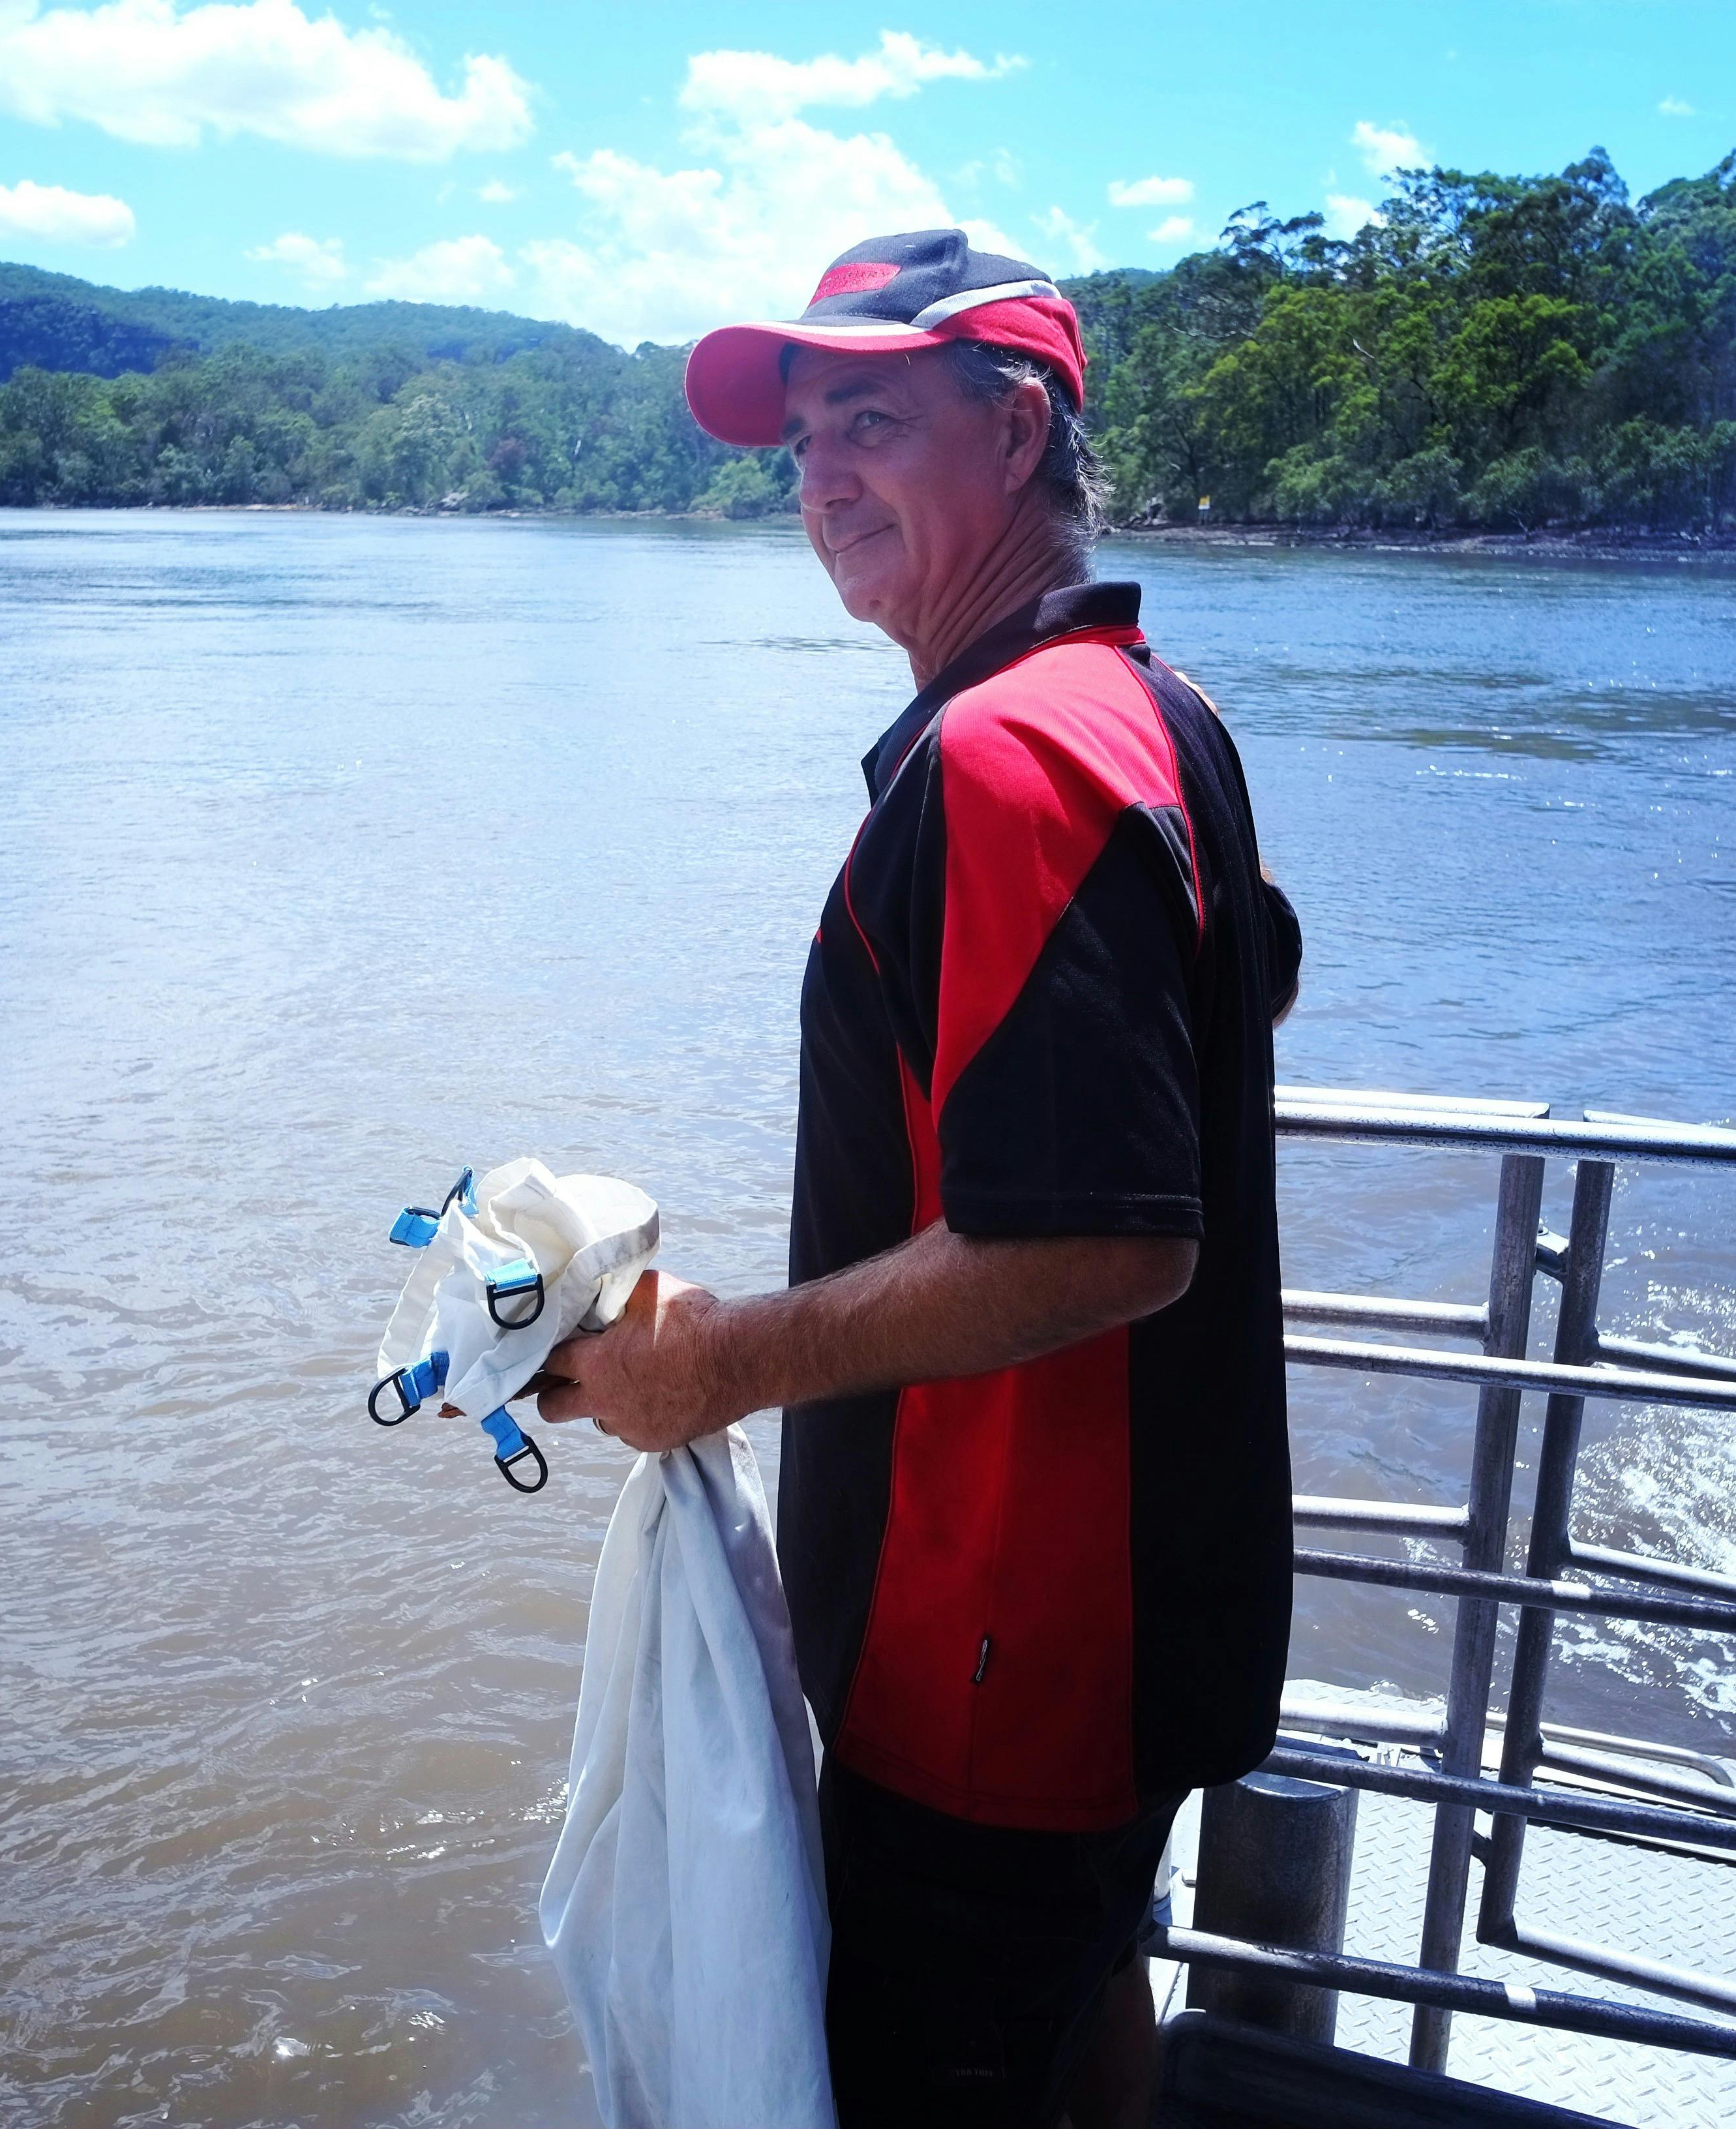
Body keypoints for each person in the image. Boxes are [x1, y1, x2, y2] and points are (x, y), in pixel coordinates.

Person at [535, 230, 1304, 2129]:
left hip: (1001, 1661)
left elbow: (1104, 1237)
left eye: (867, 421)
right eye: (799, 442)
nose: (817, 481)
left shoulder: (1015, 758)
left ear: (1019, 425)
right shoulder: (1149, 708)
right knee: (1072, 2002)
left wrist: (711, 1366)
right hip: (1120, 1625)